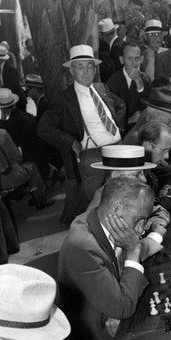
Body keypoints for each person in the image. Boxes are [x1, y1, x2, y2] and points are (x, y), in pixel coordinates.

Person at [58, 177, 154, 340]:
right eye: (139, 219)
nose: (141, 230)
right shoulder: (83, 248)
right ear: (116, 208)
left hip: (106, 323)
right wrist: (133, 251)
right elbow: (123, 308)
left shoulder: (97, 220)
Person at [38, 44, 126, 223]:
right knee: (98, 205)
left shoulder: (102, 88)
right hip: (93, 156)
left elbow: (120, 104)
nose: (86, 71)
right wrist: (71, 142)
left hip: (118, 148)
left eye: (89, 66)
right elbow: (44, 128)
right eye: (80, 67)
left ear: (95, 69)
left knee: (122, 198)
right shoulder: (63, 99)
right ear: (72, 70)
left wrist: (118, 127)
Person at [0, 126, 54, 210]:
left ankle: (19, 193)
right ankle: (40, 200)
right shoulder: (2, 133)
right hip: (7, 178)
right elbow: (16, 156)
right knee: (31, 166)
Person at [107, 41, 150, 132]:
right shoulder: (113, 82)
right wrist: (129, 120)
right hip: (122, 131)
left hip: (142, 128)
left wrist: (138, 82)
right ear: (121, 60)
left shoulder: (144, 78)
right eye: (129, 58)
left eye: (137, 58)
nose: (134, 63)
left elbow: (146, 104)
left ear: (142, 59)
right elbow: (110, 115)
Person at [0, 43, 27, 111]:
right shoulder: (0, 67)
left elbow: (13, 87)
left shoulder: (10, 69)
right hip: (6, 102)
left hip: (17, 102)